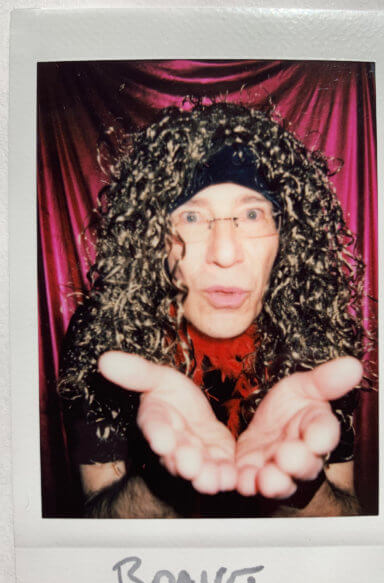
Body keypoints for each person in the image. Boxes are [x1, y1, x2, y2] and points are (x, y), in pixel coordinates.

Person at [58, 101, 367, 518]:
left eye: (252, 214)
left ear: (286, 235)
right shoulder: (107, 333)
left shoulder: (317, 333)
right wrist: (161, 481)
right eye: (191, 217)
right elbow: (95, 521)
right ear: (153, 239)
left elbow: (349, 518)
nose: (224, 253)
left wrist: (300, 486)